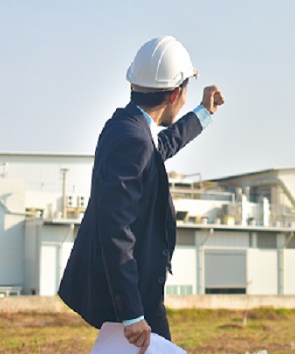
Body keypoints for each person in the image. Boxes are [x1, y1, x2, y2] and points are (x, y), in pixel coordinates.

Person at [58, 36, 224, 353]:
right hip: (127, 293)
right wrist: (132, 313)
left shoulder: (129, 127)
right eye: (187, 93)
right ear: (176, 93)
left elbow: (159, 148)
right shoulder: (132, 137)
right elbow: (115, 228)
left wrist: (204, 112)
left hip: (132, 287)